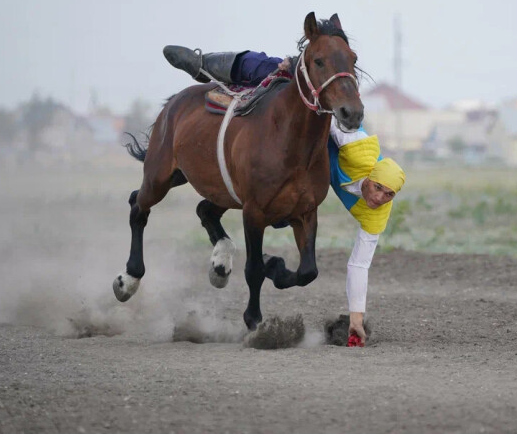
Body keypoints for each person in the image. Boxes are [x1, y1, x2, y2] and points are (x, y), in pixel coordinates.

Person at [163, 44, 406, 344]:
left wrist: (356, 319)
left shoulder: (376, 216)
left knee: (290, 226)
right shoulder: (355, 146)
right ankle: (202, 62)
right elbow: (329, 120)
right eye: (378, 188)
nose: (379, 198)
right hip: (308, 136)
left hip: (302, 185)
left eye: (388, 196)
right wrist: (293, 71)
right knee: (276, 68)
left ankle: (272, 266)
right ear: (370, 176)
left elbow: (360, 264)